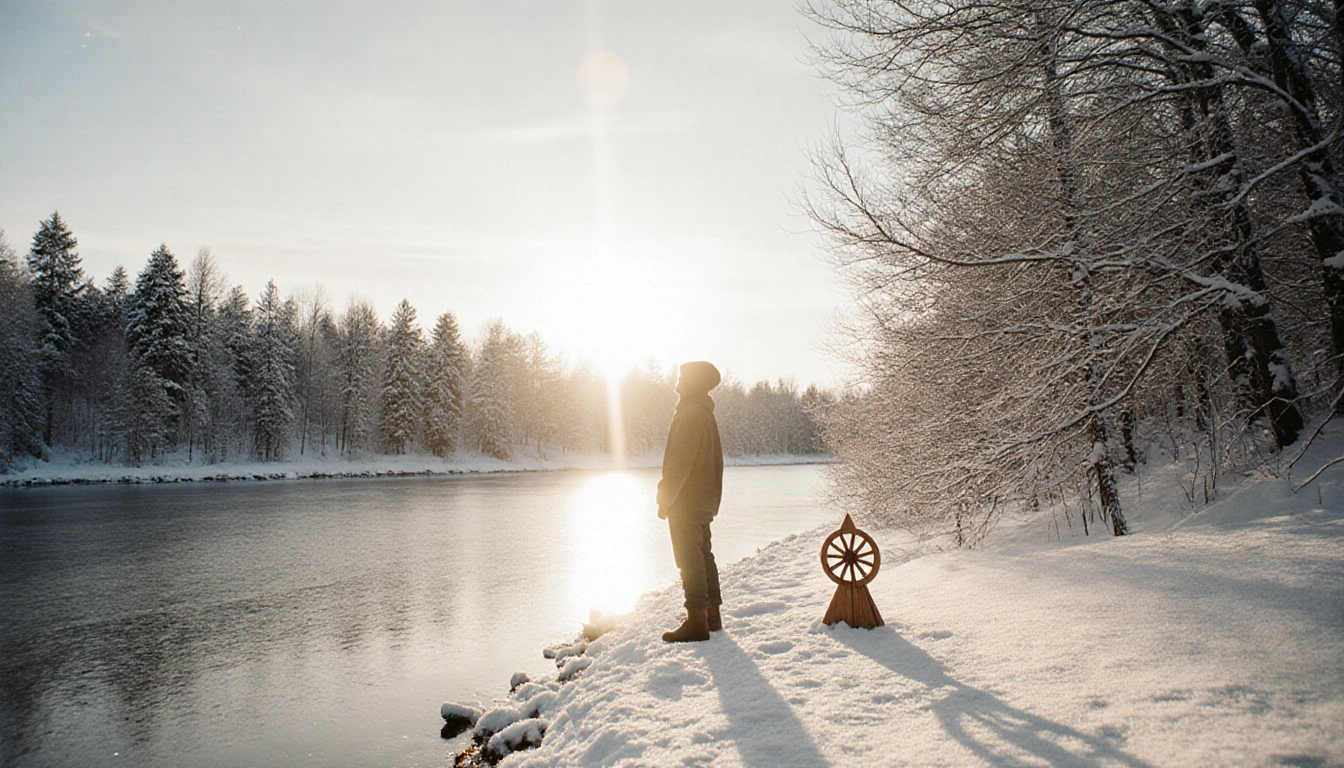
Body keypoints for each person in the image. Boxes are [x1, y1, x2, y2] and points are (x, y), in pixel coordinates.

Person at [656, 360, 725, 643]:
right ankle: (712, 616)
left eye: (682, 376)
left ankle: (697, 621)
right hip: (703, 497)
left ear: (693, 382)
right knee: (703, 553)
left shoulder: (690, 414)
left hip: (687, 499)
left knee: (688, 558)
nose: (678, 381)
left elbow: (678, 464)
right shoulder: (703, 412)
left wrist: (665, 497)